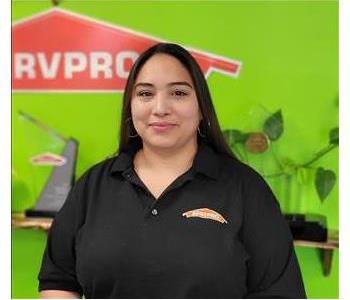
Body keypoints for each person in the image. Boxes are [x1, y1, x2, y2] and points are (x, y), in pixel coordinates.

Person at [38, 43, 306, 298]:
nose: (160, 108)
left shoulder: (245, 188)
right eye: (145, 93)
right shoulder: (93, 185)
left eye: (178, 93)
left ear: (201, 108)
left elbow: (279, 292)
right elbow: (58, 279)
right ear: (130, 108)